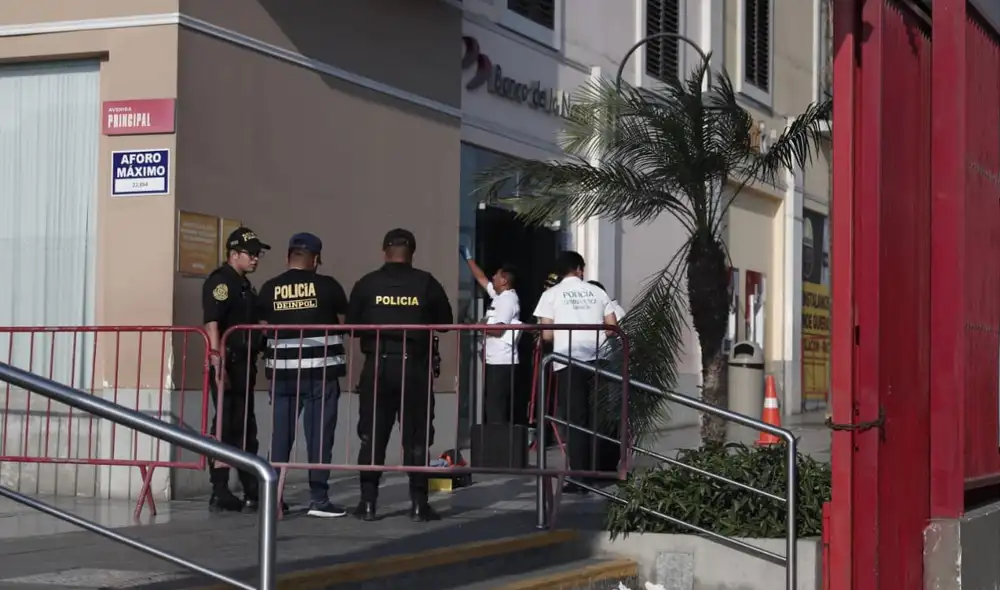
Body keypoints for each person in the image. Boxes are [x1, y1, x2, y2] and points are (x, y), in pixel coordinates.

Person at [346, 229, 454, 522]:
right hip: (414, 369)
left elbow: (352, 326)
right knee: (416, 439)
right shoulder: (426, 283)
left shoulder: (368, 284)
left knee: (372, 437)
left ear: (384, 251)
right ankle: (419, 505)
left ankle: (368, 504)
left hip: (378, 368)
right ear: (413, 253)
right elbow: (445, 323)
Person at [257, 233, 349, 518]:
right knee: (319, 436)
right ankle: (319, 500)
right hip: (320, 374)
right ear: (317, 259)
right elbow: (345, 323)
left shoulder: (270, 288)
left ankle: (273, 497)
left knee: (281, 437)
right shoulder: (328, 286)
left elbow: (262, 327)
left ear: (288, 257)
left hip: (283, 374)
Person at [532, 251, 619, 494]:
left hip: (568, 361)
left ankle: (580, 478)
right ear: (579, 269)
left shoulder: (550, 295)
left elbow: (547, 334)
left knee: (576, 420)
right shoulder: (597, 291)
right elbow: (612, 328)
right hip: (598, 359)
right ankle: (599, 471)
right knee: (596, 418)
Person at [202, 226, 270, 512]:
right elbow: (212, 321)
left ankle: (250, 488)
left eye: (258, 254)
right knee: (225, 426)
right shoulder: (222, 283)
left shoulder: (244, 286)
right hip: (227, 362)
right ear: (234, 254)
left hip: (245, 363)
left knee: (244, 426)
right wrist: (217, 359)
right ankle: (220, 489)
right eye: (251, 254)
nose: (256, 259)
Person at [460, 246, 521, 424]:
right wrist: (468, 258)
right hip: (494, 360)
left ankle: (498, 446)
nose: (492, 277)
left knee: (496, 408)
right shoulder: (499, 295)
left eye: (496, 274)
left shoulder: (508, 300)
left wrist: (476, 325)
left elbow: (498, 329)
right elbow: (481, 278)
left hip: (502, 362)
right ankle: (496, 444)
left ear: (504, 280)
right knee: (493, 405)